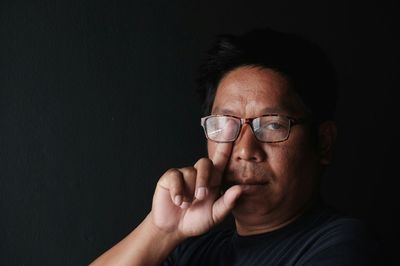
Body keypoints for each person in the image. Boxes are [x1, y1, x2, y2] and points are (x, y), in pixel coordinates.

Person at [91, 28, 379, 265]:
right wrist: (161, 230)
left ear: (324, 143)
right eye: (225, 125)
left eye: (272, 124)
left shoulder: (343, 246)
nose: (244, 150)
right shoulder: (192, 249)